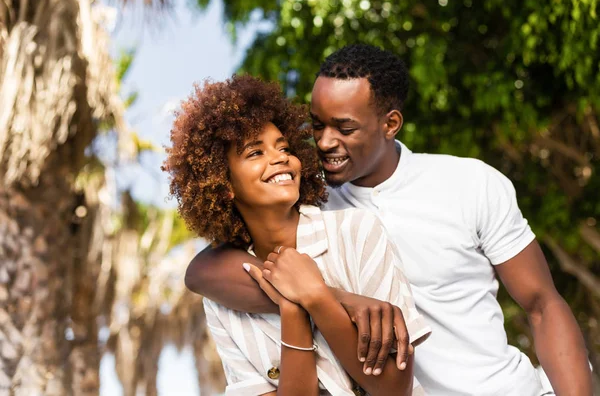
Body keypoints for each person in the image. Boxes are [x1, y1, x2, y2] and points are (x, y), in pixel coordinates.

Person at [184, 45, 593, 395]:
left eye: (344, 128)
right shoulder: (310, 210)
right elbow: (203, 273)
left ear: (390, 124)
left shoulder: (470, 182)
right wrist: (330, 297)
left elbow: (542, 305)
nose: (324, 142)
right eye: (317, 125)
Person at [162, 75, 431, 395]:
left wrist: (317, 296)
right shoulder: (222, 303)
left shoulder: (357, 233)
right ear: (225, 185)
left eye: (284, 147)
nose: (279, 158)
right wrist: (295, 306)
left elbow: (394, 389)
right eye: (255, 153)